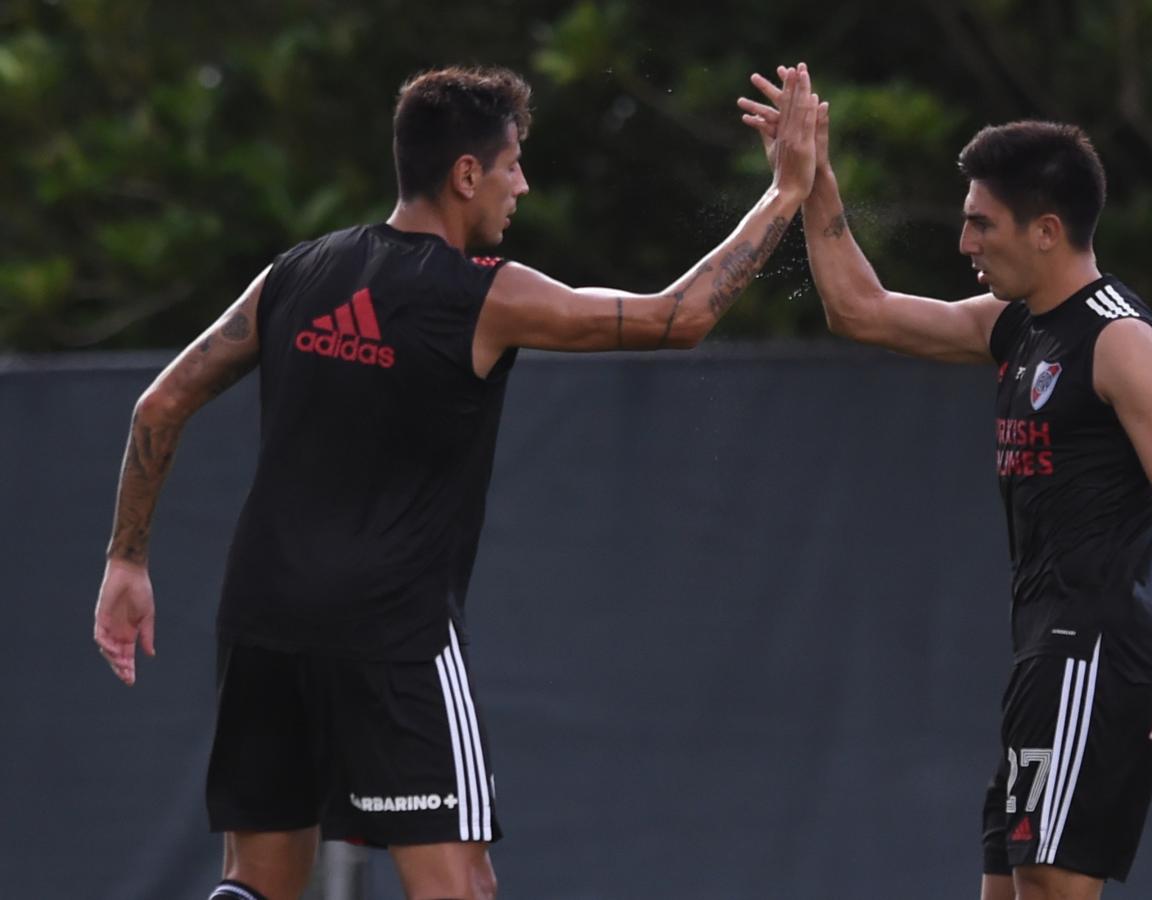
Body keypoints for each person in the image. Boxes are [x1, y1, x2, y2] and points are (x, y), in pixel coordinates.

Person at [93, 62, 820, 900]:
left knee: (256, 886)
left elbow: (159, 404)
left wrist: (126, 562)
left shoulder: (296, 271)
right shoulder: (485, 296)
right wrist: (785, 193)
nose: (523, 184)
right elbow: (678, 317)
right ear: (465, 174)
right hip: (392, 631)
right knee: (460, 886)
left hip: (263, 616)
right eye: (512, 164)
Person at [739, 70, 1152, 899]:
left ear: (1045, 230)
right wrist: (816, 183)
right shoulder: (1015, 328)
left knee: (1052, 888)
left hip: (1093, 653)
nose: (966, 244)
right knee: (1005, 888)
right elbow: (862, 310)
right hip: (1041, 655)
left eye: (980, 224)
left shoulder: (1122, 343)